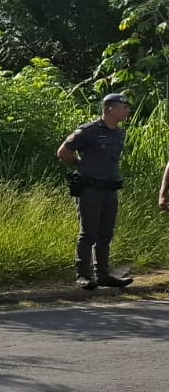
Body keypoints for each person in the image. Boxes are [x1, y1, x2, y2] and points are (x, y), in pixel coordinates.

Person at [58, 92, 134, 289]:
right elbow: (63, 152)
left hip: (110, 190)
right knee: (88, 233)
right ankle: (83, 275)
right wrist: (81, 167)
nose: (128, 110)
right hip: (90, 189)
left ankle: (103, 275)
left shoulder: (119, 133)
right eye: (124, 106)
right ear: (110, 108)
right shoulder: (89, 130)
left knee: (106, 234)